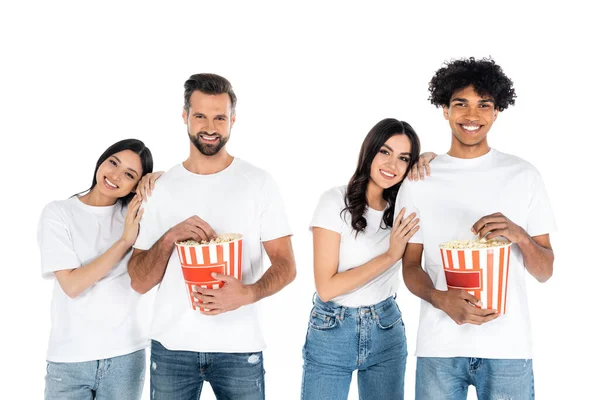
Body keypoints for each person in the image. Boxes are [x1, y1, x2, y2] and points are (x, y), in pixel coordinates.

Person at [128, 73, 296, 400]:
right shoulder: (159, 188)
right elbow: (138, 281)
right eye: (200, 116)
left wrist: (248, 293)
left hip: (239, 349)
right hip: (172, 348)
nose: (210, 127)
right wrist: (168, 239)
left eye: (220, 117)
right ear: (184, 117)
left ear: (233, 120)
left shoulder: (258, 182)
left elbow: (287, 265)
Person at [396, 57, 556, 399]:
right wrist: (440, 299)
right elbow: (410, 265)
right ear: (444, 109)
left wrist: (519, 236)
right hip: (439, 348)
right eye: (461, 104)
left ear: (497, 111)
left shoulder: (524, 176)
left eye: (484, 104)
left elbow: (545, 271)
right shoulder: (420, 178)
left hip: (508, 348)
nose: (472, 115)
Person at [301, 118, 434, 400]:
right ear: (369, 152)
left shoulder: (403, 209)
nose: (392, 165)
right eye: (385, 152)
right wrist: (390, 255)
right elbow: (327, 287)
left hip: (386, 329)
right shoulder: (334, 202)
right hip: (332, 331)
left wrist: (434, 159)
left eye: (403, 158)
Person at [38, 139, 155, 399]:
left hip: (125, 356)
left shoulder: (136, 214)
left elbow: (179, 197)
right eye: (113, 162)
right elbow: (72, 285)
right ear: (102, 159)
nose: (115, 175)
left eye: (129, 174)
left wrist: (159, 178)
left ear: (136, 185)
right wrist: (125, 240)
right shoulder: (59, 213)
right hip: (70, 359)